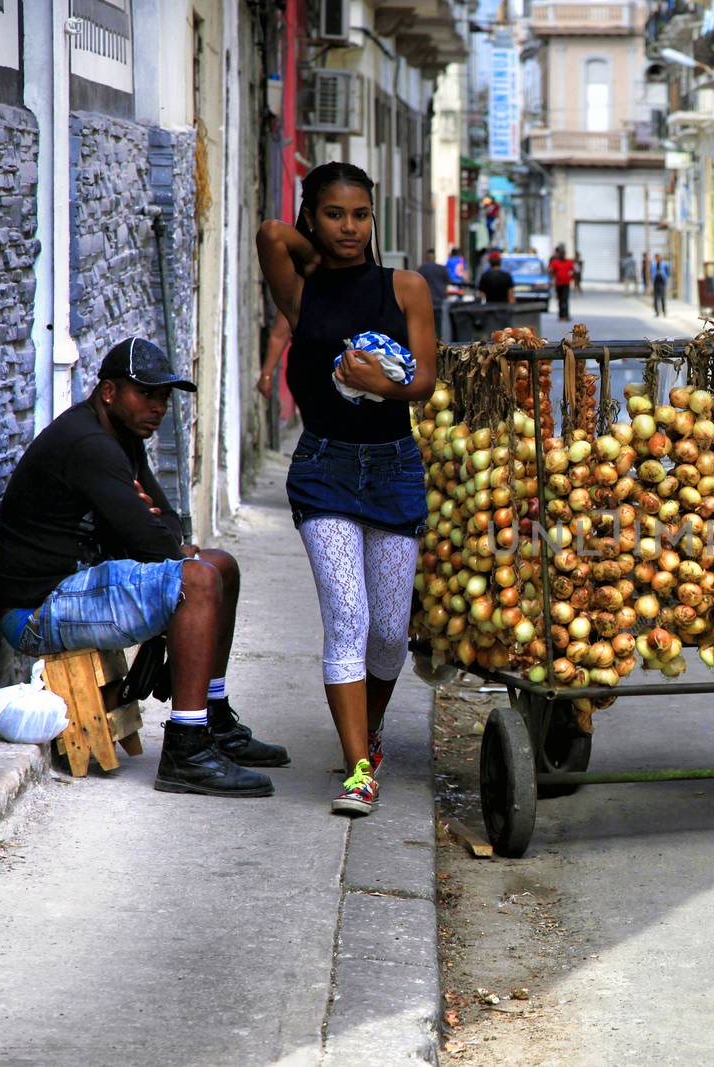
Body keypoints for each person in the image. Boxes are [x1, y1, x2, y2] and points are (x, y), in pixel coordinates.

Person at [0, 338, 285, 798]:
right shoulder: (88, 444)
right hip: (37, 610)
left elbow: (164, 522)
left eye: (164, 397)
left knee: (222, 566)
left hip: (79, 591)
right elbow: (156, 543)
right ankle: (186, 751)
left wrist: (156, 528)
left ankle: (215, 717)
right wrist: (157, 533)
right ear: (109, 392)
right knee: (199, 578)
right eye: (146, 394)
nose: (159, 406)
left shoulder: (124, 437)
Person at [255, 161, 438, 818]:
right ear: (315, 217)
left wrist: (379, 385)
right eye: (334, 214)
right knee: (349, 619)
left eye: (360, 215)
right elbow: (270, 235)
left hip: (393, 469)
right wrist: (314, 241)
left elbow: (423, 382)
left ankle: (371, 729)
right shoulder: (301, 294)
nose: (350, 228)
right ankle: (358, 765)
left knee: (390, 632)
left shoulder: (406, 287)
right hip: (324, 471)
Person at [548, 244, 575, 321]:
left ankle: (566, 315)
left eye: (563, 253)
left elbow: (574, 270)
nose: (562, 255)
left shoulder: (569, 262)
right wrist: (551, 278)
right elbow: (551, 271)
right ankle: (560, 316)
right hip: (558, 283)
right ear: (558, 254)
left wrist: (572, 278)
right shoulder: (555, 262)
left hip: (566, 283)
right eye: (561, 253)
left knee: (565, 299)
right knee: (560, 299)